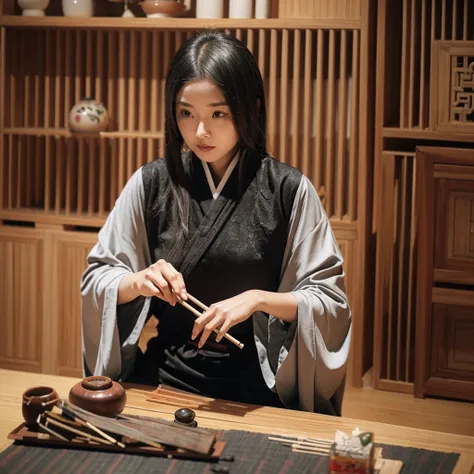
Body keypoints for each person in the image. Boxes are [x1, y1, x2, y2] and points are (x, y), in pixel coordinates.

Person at [81, 31, 351, 415]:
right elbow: (96, 280)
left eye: (218, 113)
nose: (200, 131)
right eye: (186, 113)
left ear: (251, 109)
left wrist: (258, 300)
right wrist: (137, 281)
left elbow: (329, 302)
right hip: (167, 376)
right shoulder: (151, 183)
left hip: (257, 385)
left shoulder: (288, 190)